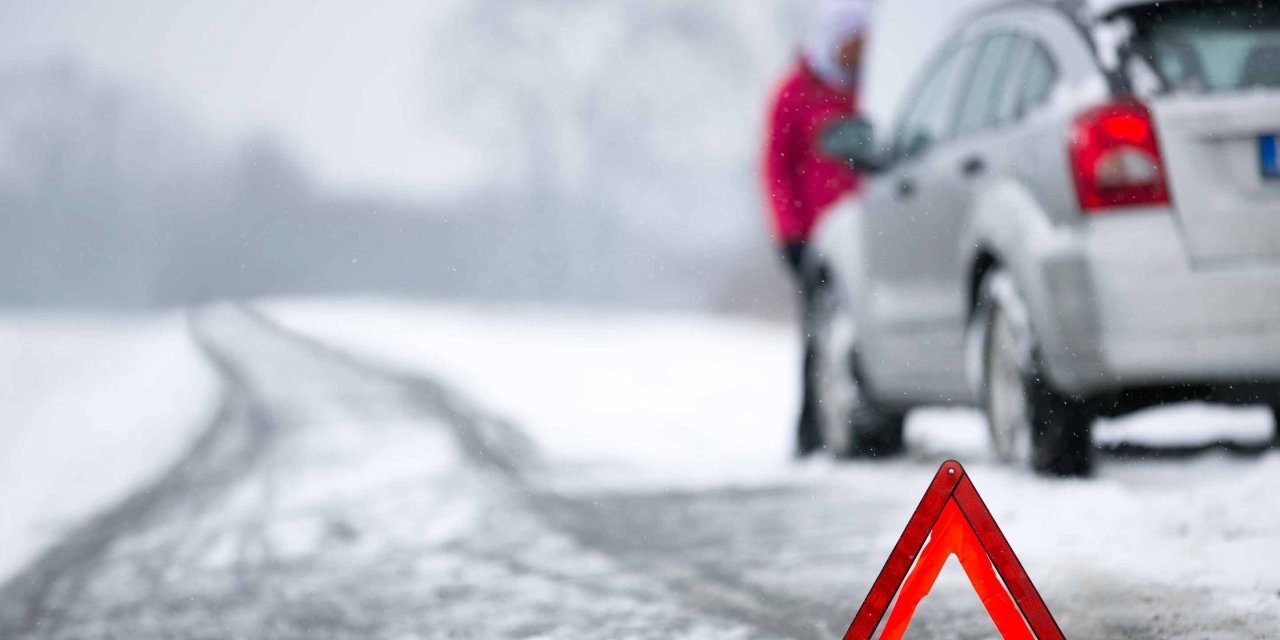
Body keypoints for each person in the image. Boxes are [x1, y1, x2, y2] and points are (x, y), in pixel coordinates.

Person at [762, 0, 869, 456]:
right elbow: (776, 167)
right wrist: (790, 234)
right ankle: (812, 431)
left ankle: (866, 426)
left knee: (864, 329)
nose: (857, 53)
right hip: (815, 239)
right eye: (851, 43)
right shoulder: (796, 91)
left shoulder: (872, 89)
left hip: (868, 236)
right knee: (818, 333)